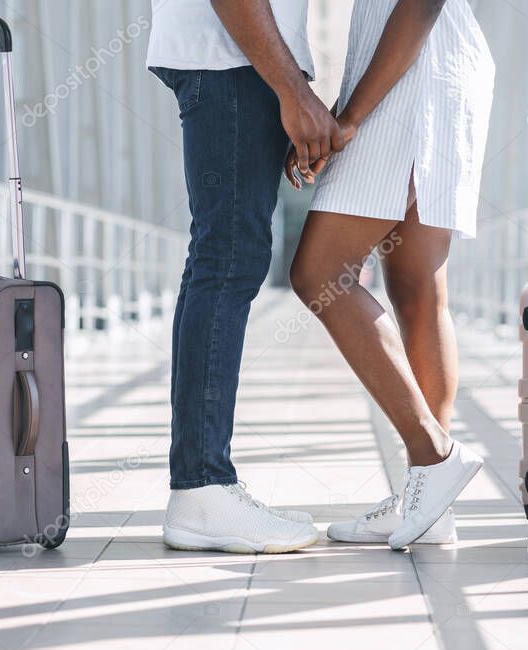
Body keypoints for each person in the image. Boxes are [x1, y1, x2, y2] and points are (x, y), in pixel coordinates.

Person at [287, 0, 495, 549]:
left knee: (320, 274)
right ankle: (427, 502)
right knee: (416, 287)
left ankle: (434, 455)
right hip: (430, 65)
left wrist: (348, 118)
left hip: (413, 75)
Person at [147, 0, 348, 553]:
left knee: (224, 255)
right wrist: (295, 91)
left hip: (236, 60)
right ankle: (202, 487)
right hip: (232, 60)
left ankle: (202, 482)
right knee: (227, 257)